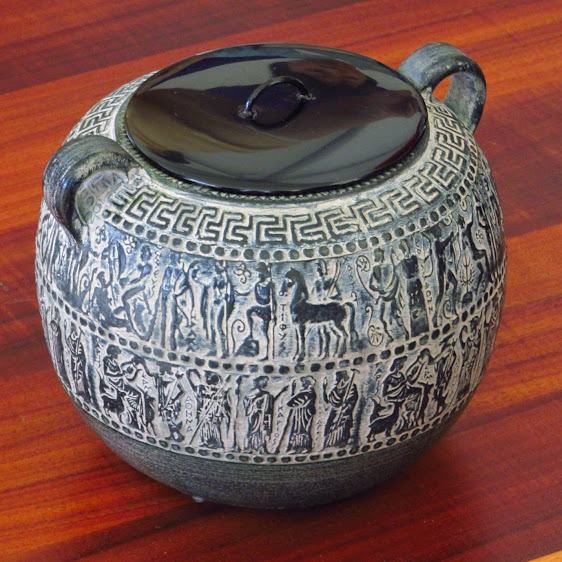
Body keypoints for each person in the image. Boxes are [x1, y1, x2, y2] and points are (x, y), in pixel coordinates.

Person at [322, 370, 358, 449]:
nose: (336, 379)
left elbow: (353, 399)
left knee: (342, 428)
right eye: (336, 377)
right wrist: (324, 389)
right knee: (329, 428)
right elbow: (329, 401)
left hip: (344, 413)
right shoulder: (336, 389)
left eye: (338, 377)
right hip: (334, 412)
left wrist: (346, 405)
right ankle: (330, 444)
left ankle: (341, 443)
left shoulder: (351, 387)